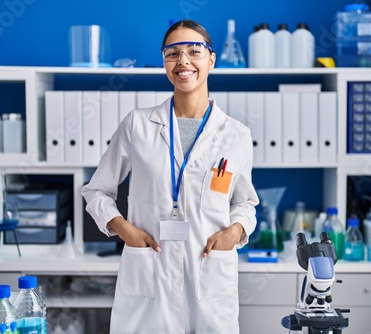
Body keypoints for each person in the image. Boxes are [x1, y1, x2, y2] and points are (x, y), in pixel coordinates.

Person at [81, 19, 259, 333]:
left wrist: (236, 230)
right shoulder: (138, 124)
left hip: (208, 276)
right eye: (173, 53)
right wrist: (124, 230)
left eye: (194, 51)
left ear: (211, 60)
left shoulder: (235, 134)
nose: (183, 61)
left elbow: (245, 203)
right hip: (150, 273)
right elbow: (97, 191)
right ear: (164, 61)